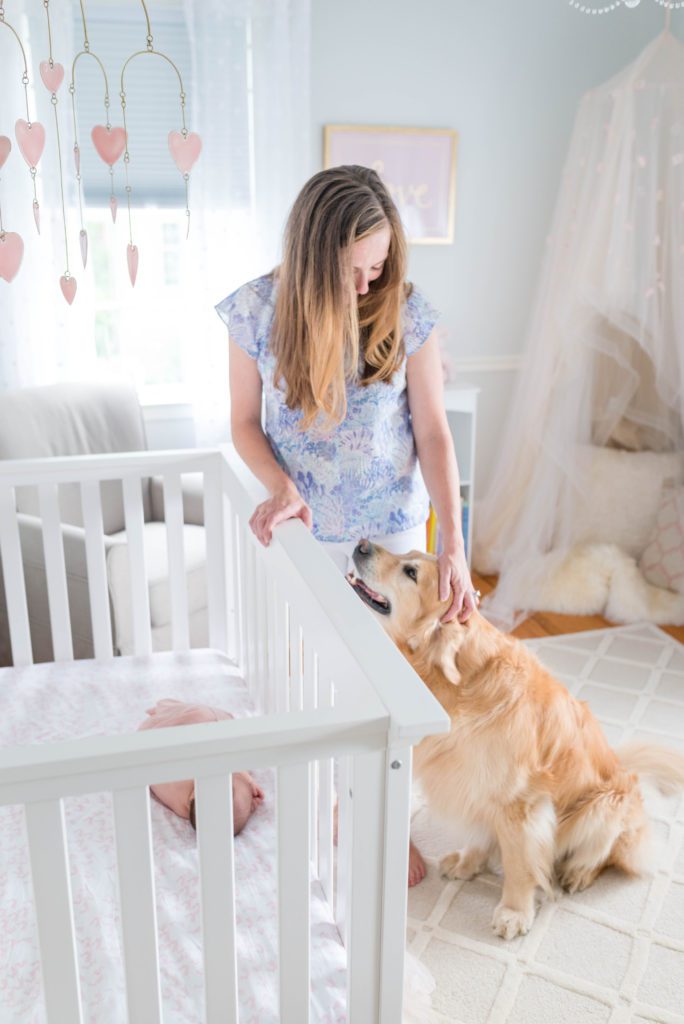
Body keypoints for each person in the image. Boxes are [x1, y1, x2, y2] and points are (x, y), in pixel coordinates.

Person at [216, 164, 475, 883]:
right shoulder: (256, 313)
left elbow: (434, 434)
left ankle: (386, 814)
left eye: (378, 266)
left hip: (392, 532)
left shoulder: (406, 311)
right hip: (305, 532)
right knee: (313, 684)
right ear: (311, 255)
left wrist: (453, 547)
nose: (368, 284)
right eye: (355, 268)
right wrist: (279, 488)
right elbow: (241, 424)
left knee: (388, 683)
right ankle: (332, 803)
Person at [139, 699, 264, 835]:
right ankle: (166, 712)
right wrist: (246, 804)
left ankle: (165, 709)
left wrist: (247, 779)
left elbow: (227, 762)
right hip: (145, 748)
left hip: (158, 736)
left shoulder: (203, 772)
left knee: (208, 720)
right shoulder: (187, 810)